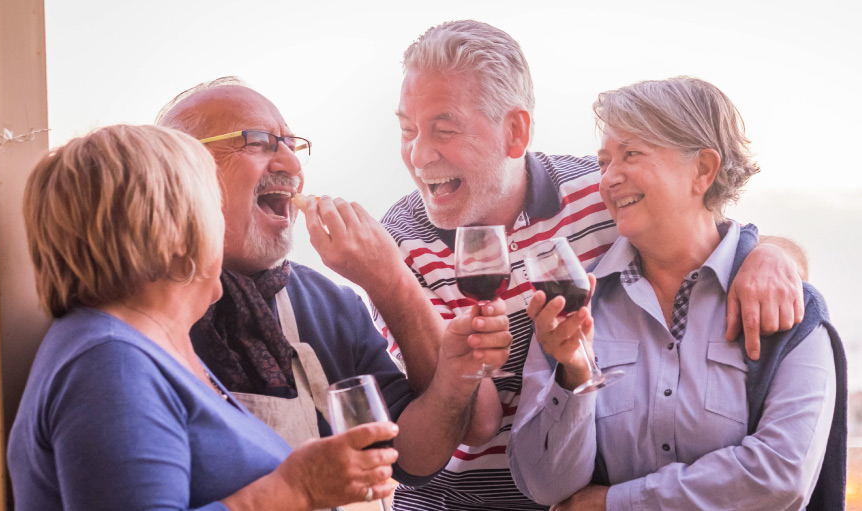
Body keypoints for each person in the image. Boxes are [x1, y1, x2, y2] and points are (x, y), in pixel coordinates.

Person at [367, 20, 809, 510]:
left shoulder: (605, 196)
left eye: (443, 129)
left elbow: (712, 238)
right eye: (407, 130)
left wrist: (773, 255)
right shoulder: (399, 243)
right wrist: (395, 288)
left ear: (515, 131)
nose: (419, 153)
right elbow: (466, 428)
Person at [7, 124, 402, 510]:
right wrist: (297, 488)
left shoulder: (147, 348)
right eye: (212, 207)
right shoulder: (109, 364)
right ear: (175, 232)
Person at [155, 78, 512, 495]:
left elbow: (409, 456)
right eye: (258, 142)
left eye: (290, 143)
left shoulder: (327, 302)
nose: (290, 163)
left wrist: (454, 375)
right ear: (179, 170)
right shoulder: (143, 311)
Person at [508, 76, 846, 510]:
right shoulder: (576, 307)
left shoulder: (788, 306)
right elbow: (545, 486)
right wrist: (573, 372)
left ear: (703, 170)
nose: (609, 178)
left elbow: (781, 475)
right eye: (604, 162)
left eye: (631, 154)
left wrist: (613, 504)